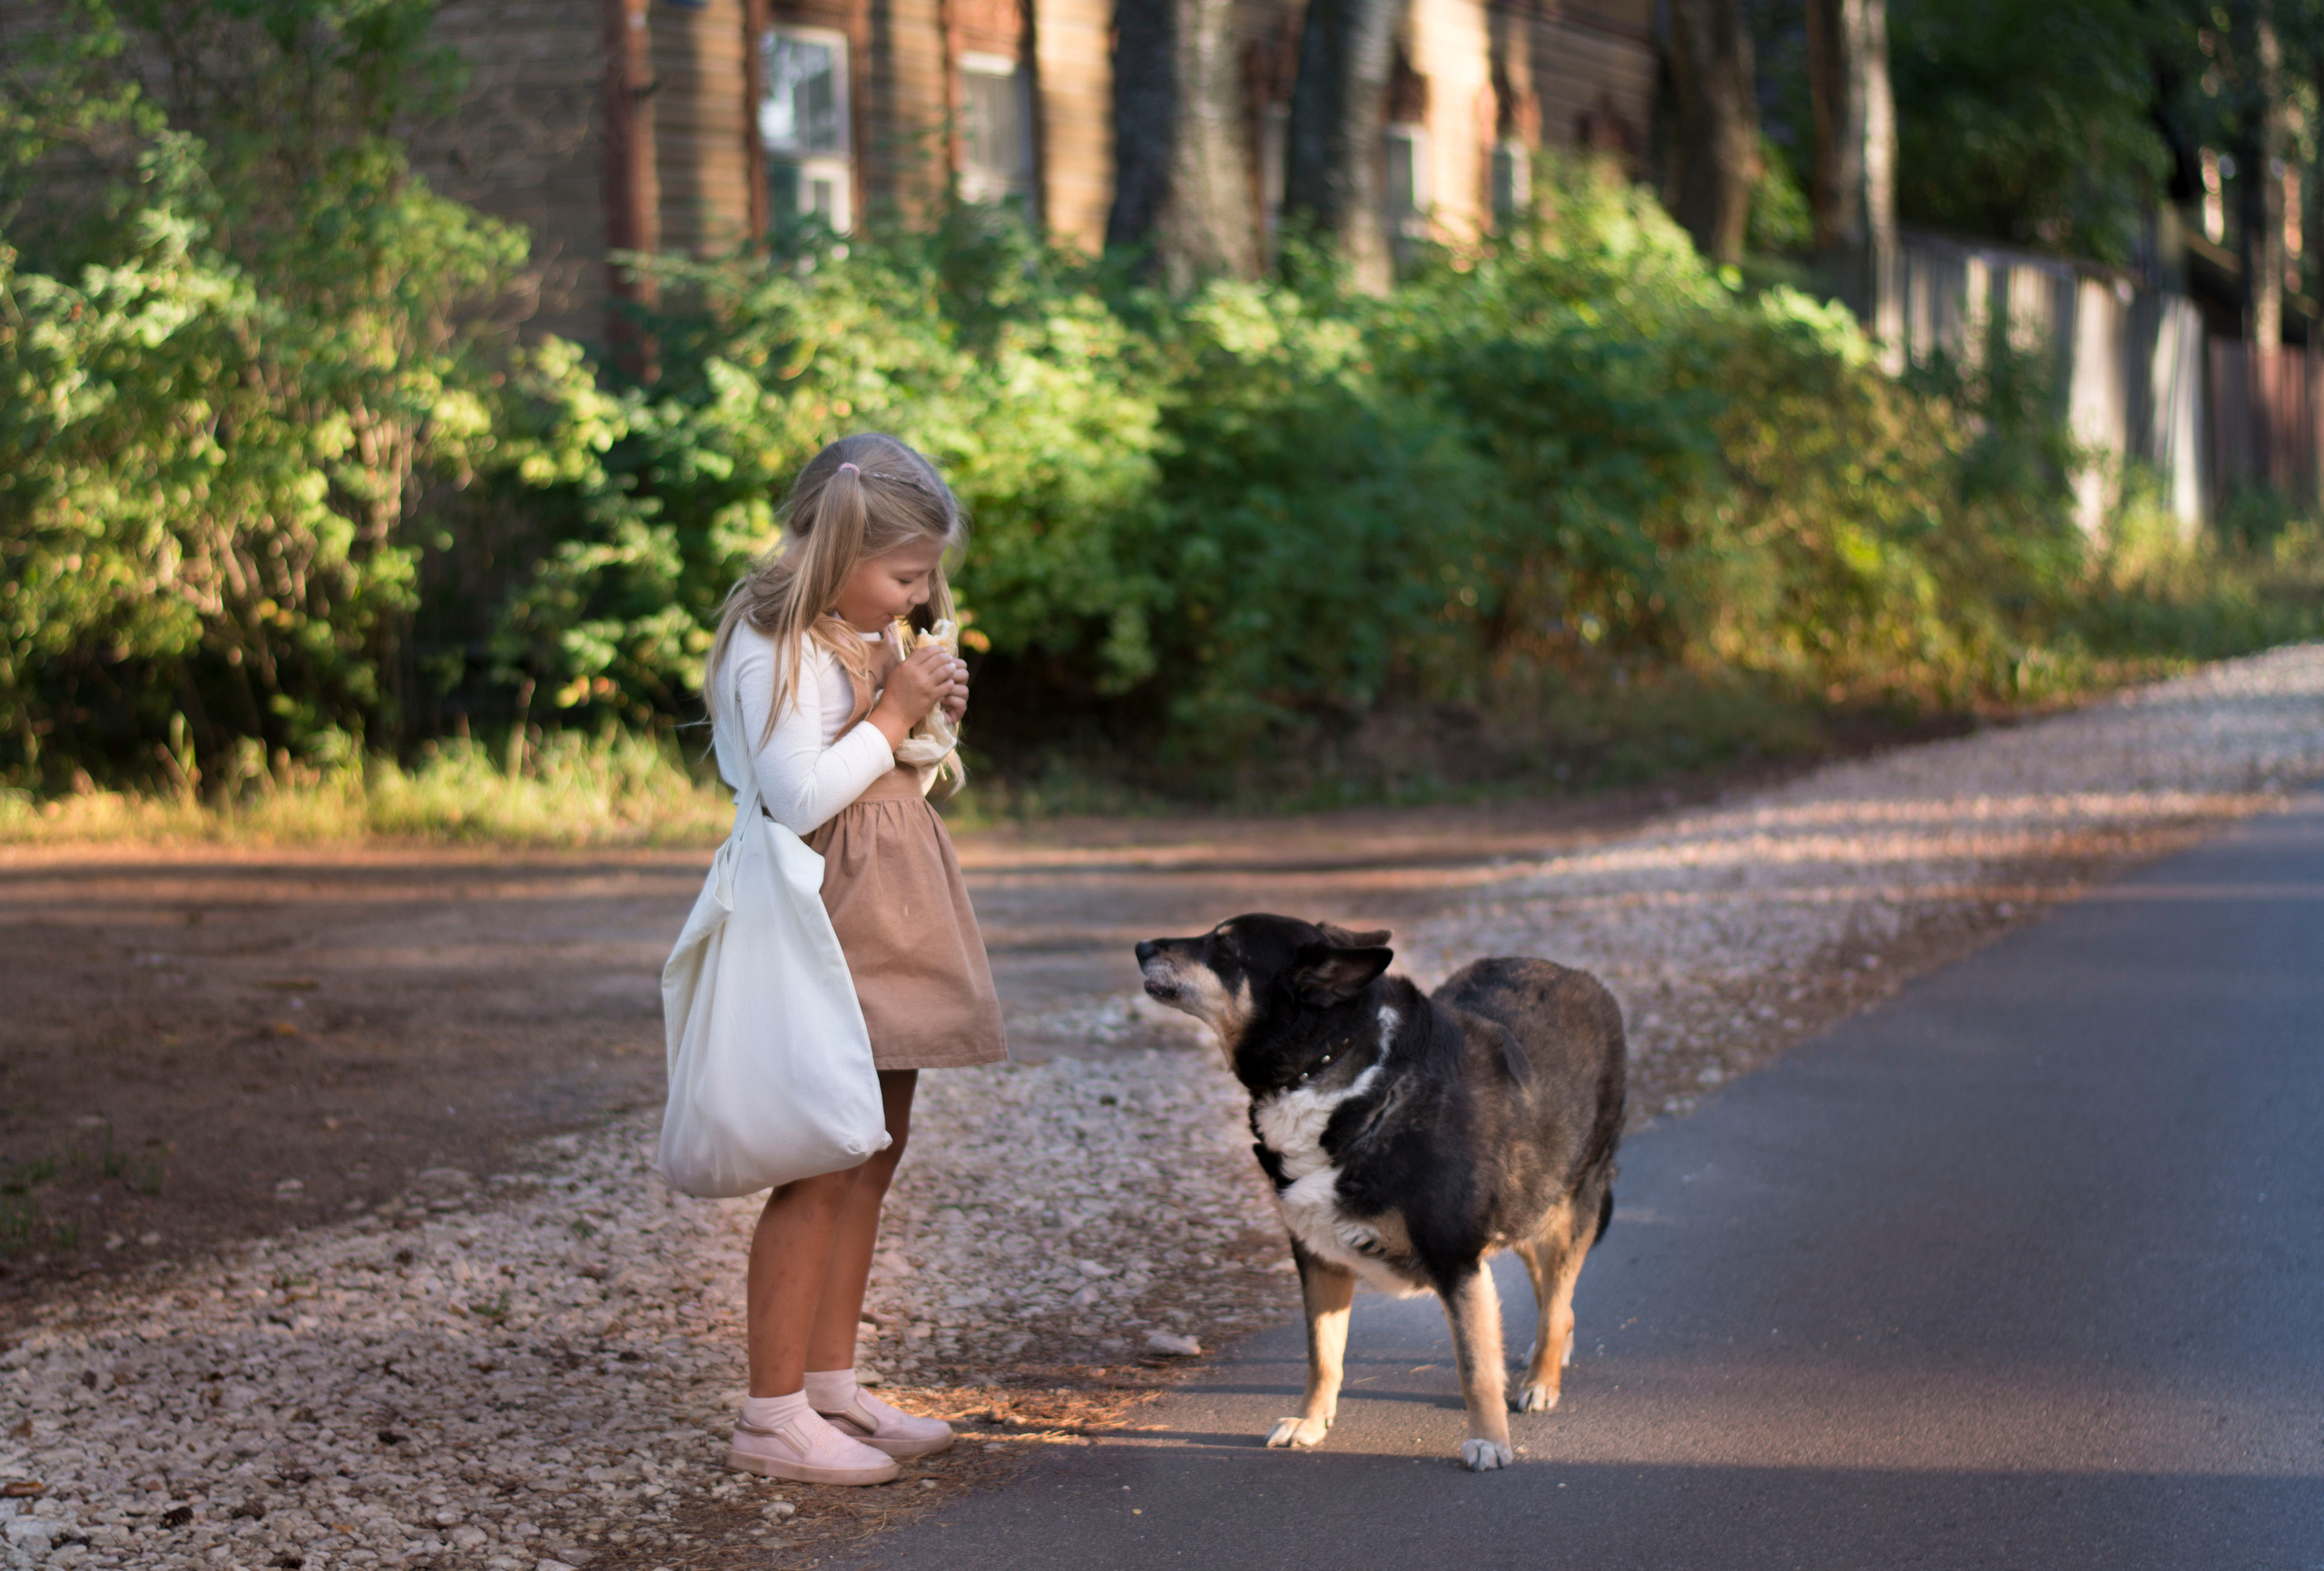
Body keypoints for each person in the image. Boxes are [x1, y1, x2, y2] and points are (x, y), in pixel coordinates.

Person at [700, 432, 1009, 1487]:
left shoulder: (860, 628)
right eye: (906, 574)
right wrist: (893, 713)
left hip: (891, 913)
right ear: (836, 545)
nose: (921, 595)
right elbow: (798, 797)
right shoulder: (775, 639)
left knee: (878, 1145)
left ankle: (829, 1383)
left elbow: (882, 787)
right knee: (822, 1156)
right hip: (821, 920)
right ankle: (771, 1412)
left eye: (928, 577)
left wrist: (923, 735)